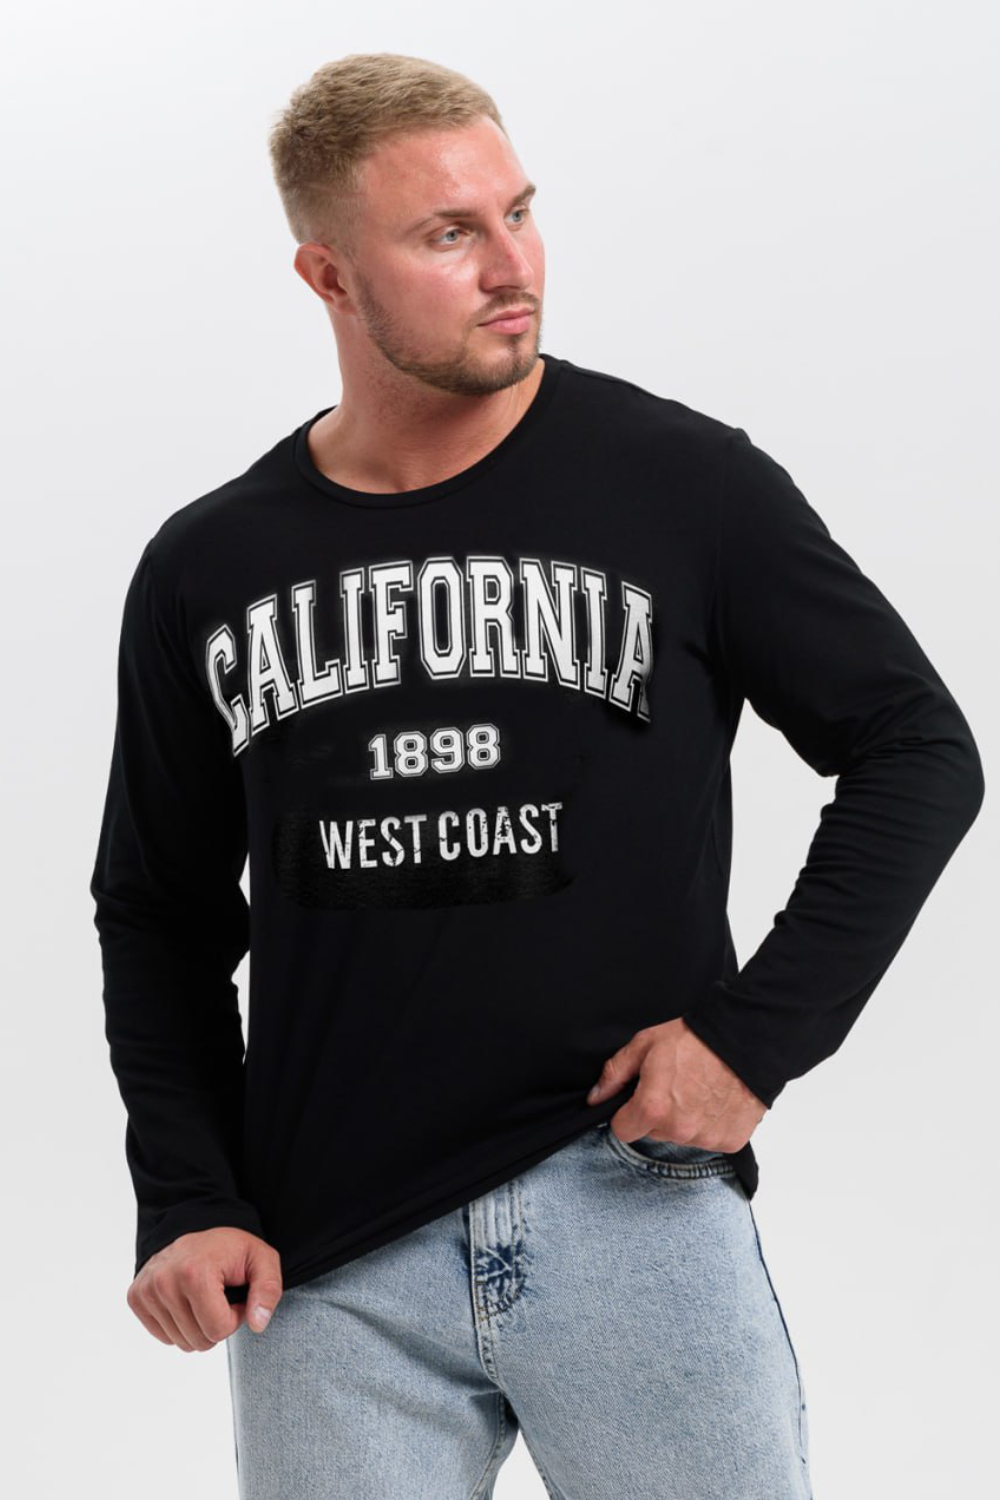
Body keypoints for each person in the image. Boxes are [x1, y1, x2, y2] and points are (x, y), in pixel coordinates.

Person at [89, 51, 985, 1500]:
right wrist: (188, 1195)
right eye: (449, 234)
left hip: (630, 1203)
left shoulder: (685, 487)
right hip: (333, 1267)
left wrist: (757, 1039)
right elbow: (159, 911)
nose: (513, 267)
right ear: (327, 275)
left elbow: (918, 748)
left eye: (519, 212)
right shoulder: (212, 564)